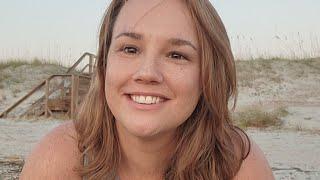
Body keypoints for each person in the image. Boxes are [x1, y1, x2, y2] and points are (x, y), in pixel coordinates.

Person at [20, 0, 274, 179]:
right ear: (104, 65)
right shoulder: (62, 156)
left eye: (177, 55)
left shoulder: (236, 164)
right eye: (130, 49)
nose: (147, 73)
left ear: (208, 76)